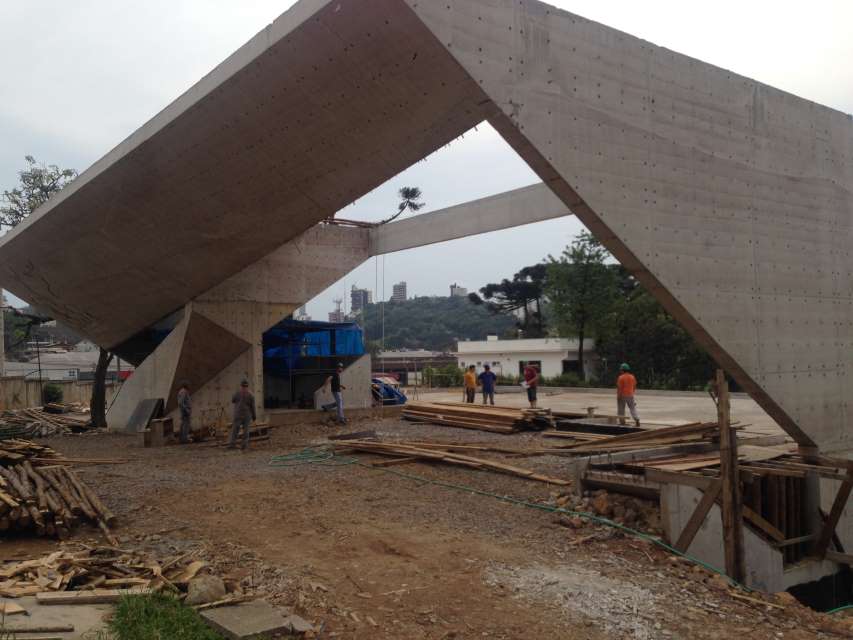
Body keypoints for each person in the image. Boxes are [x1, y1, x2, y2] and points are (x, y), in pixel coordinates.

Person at [229, 377, 257, 450]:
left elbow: (233, 400)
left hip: (237, 414)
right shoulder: (251, 395)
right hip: (247, 416)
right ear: (247, 386)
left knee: (235, 430)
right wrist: (254, 416)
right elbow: (253, 407)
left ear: (241, 385)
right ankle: (244, 446)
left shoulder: (237, 393)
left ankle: (232, 445)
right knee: (246, 431)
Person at [616, 363, 640, 427]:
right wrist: (632, 393)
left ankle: (622, 422)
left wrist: (618, 396)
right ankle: (637, 419)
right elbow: (634, 386)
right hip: (630, 395)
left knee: (621, 409)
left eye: (621, 370)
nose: (620, 371)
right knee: (632, 408)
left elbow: (619, 388)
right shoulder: (632, 377)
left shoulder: (621, 377)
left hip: (622, 395)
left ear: (623, 370)